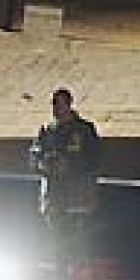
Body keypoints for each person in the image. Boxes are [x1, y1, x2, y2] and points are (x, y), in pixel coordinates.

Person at [29, 87, 101, 269]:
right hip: (54, 199)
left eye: (59, 103)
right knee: (57, 248)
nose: (56, 108)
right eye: (53, 103)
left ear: (69, 104)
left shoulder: (84, 129)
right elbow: (34, 156)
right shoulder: (47, 130)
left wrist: (69, 165)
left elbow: (94, 159)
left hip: (78, 199)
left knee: (80, 247)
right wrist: (44, 164)